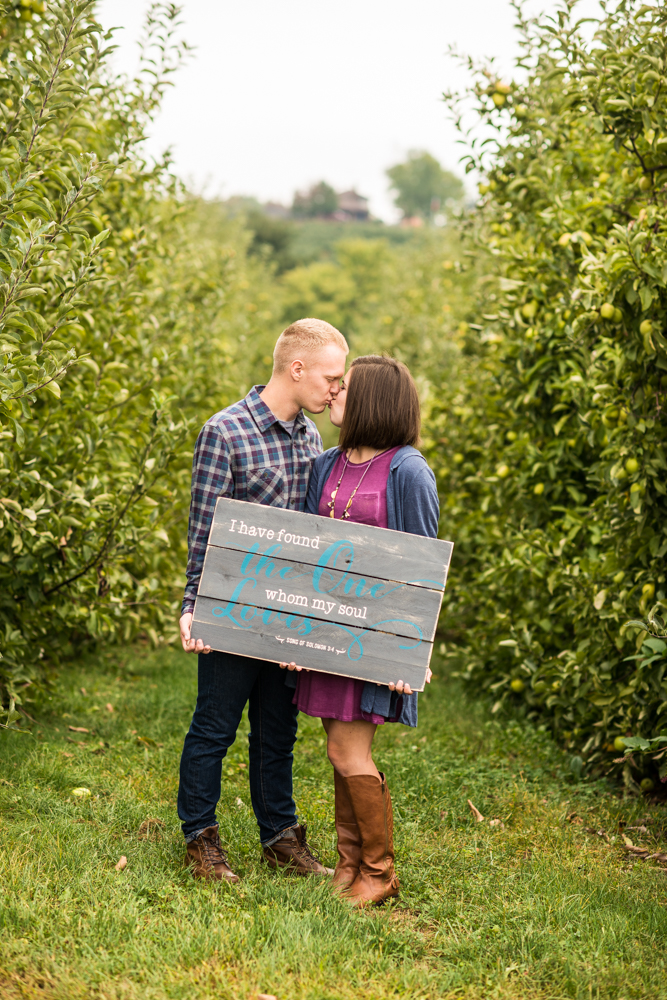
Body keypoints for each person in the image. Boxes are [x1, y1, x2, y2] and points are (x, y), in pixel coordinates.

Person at [178, 317, 349, 883]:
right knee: (215, 727)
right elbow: (203, 530)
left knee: (278, 731)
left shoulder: (310, 437)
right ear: (295, 369)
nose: (335, 388)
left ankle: (280, 837)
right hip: (235, 610)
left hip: (289, 616)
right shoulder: (224, 432)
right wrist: (192, 605)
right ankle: (200, 840)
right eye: (329, 376)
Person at [280, 355, 439, 907]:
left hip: (371, 636)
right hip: (326, 632)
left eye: (345, 388)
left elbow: (421, 568)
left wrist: (408, 652)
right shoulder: (328, 463)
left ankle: (380, 872)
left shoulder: (408, 470)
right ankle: (350, 864)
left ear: (372, 400)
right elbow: (306, 550)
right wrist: (296, 631)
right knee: (335, 748)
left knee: (351, 752)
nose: (334, 394)